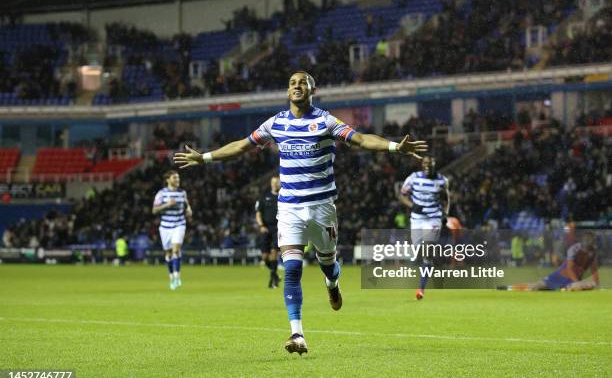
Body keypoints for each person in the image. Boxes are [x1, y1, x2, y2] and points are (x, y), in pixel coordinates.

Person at [173, 71, 427, 354]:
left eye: (302, 82)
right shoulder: (276, 123)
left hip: (322, 208)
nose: (296, 86)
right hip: (290, 207)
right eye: (292, 83)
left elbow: (361, 139)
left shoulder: (326, 120)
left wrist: (394, 147)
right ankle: (298, 334)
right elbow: (242, 146)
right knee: (291, 268)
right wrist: (204, 157)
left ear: (312, 89)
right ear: (287, 91)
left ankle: (332, 282)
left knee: (327, 264)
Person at [399, 155, 450, 300]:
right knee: (417, 250)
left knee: (428, 250)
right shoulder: (413, 178)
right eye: (426, 164)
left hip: (433, 218)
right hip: (417, 219)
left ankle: (421, 288)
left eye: (431, 164)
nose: (428, 166)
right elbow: (402, 195)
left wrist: (445, 214)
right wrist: (412, 205)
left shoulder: (442, 180)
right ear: (422, 165)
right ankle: (434, 263)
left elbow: (446, 199)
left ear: (434, 165)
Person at [498, 232, 600, 291]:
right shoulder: (574, 249)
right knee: (535, 287)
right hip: (561, 275)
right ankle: (507, 288)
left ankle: (566, 288)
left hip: (573, 279)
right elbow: (569, 268)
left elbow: (594, 267)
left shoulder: (592, 251)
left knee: (588, 285)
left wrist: (596, 283)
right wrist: (577, 282)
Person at [152, 170, 192, 290]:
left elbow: (187, 204)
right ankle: (171, 277)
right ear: (168, 180)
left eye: (178, 178)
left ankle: (177, 277)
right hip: (165, 227)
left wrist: (189, 210)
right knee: (168, 253)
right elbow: (154, 210)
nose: (177, 180)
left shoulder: (182, 193)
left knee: (176, 250)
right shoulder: (161, 194)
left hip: (179, 224)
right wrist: (167, 205)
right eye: (175, 178)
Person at [255, 176, 281, 288]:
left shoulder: (284, 197)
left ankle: (272, 281)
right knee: (265, 257)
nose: (274, 184)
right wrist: (261, 225)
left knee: (274, 251)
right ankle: (275, 275)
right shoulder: (264, 197)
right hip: (266, 228)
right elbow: (258, 213)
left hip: (279, 228)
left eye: (276, 182)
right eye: (273, 182)